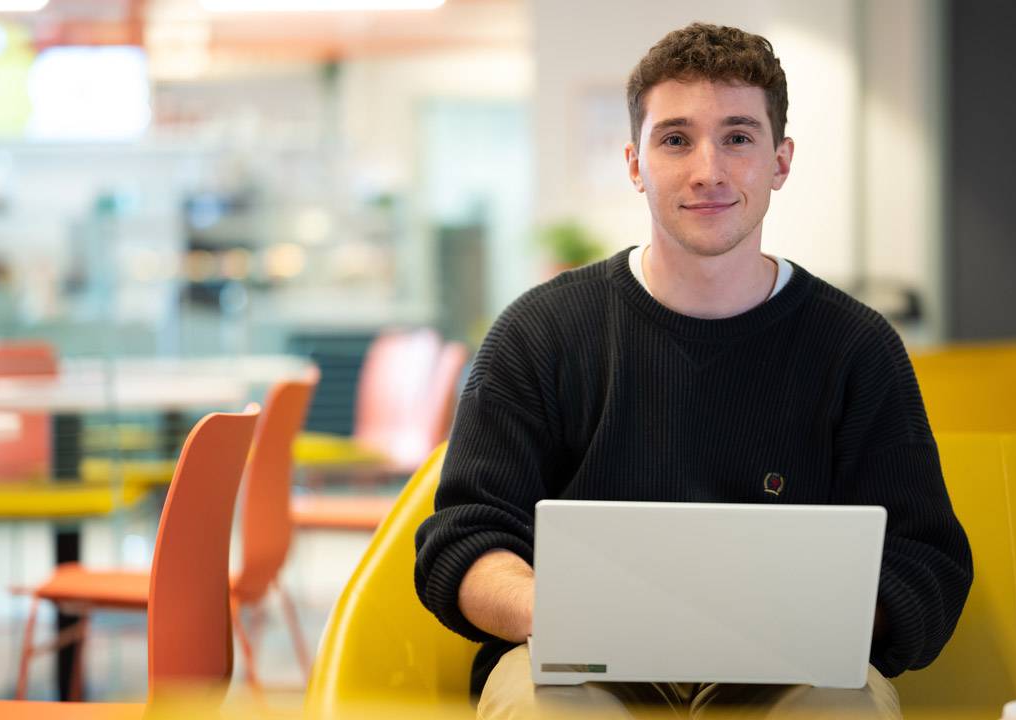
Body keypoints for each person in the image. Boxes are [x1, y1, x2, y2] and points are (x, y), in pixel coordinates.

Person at [414, 22, 972, 720]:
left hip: (792, 667)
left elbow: (927, 561)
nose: (708, 169)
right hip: (578, 663)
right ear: (635, 163)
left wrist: (818, 623)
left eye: (738, 136)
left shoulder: (857, 348)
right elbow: (462, 541)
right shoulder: (539, 334)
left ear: (781, 161)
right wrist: (559, 612)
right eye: (675, 139)